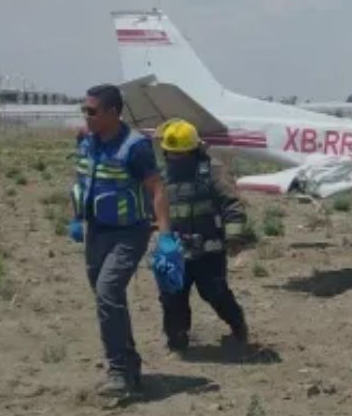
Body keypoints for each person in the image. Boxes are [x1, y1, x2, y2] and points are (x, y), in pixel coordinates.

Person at [69, 84, 172, 397]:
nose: (86, 116)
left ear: (113, 113)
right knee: (107, 301)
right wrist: (76, 217)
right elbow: (82, 178)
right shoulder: (87, 140)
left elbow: (156, 189)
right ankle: (129, 367)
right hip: (96, 231)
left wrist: (165, 236)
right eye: (84, 110)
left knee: (108, 291)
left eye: (92, 111)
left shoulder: (135, 147)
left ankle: (117, 371)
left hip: (130, 233)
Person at [156, 118, 250, 352]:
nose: (175, 160)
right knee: (172, 297)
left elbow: (232, 204)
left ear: (194, 150)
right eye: (170, 154)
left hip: (210, 250)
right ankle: (177, 337)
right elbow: (153, 209)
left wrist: (234, 236)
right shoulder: (161, 177)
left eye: (180, 154)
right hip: (174, 252)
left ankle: (237, 323)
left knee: (215, 293)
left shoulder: (213, 172)